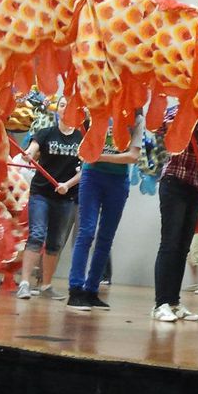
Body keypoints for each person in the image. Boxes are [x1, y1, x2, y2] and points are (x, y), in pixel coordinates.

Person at [67, 108, 143, 311]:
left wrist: (99, 156)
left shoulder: (136, 117)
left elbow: (133, 156)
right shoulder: (98, 108)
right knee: (86, 232)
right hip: (92, 177)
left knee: (106, 237)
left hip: (118, 181)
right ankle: (75, 290)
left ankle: (92, 291)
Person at [16, 96, 83, 301]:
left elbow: (85, 170)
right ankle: (24, 284)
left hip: (65, 197)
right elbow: (32, 149)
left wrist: (67, 185)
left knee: (55, 242)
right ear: (57, 109)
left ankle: (46, 285)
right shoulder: (46, 132)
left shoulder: (82, 138)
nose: (65, 109)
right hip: (41, 194)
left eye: (69, 106)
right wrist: (28, 154)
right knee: (36, 235)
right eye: (62, 105)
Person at [151, 108, 198, 322]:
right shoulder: (181, 109)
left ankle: (174, 302)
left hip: (196, 186)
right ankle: (161, 304)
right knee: (170, 243)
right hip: (174, 181)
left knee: (183, 247)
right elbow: (160, 128)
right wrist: (184, 118)